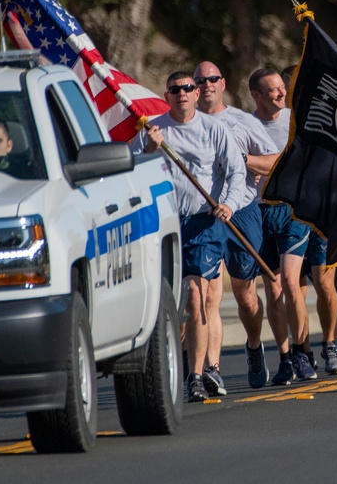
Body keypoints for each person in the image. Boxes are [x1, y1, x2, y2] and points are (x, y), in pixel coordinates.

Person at [131, 71, 248, 402]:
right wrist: (150, 151)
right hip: (165, 224)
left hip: (205, 222)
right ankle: (196, 364)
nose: (182, 93)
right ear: (166, 95)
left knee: (201, 297)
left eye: (188, 88)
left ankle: (198, 375)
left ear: (197, 93)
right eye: (175, 89)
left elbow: (236, 171)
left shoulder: (213, 129)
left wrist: (229, 203)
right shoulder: (153, 131)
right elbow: (132, 174)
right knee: (181, 301)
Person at [193, 61, 284, 389]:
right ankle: (210, 369)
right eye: (199, 81)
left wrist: (242, 160)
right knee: (207, 293)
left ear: (223, 82)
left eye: (212, 79)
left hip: (242, 210)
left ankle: (254, 345)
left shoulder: (241, 121)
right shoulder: (185, 124)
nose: (206, 85)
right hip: (203, 216)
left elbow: (274, 160)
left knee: (246, 296)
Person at [249, 67, 318, 384]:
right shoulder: (245, 125)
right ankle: (286, 356)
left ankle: (305, 352)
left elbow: (292, 162)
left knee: (292, 283)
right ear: (257, 96)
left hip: (292, 212)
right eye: (273, 90)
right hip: (260, 212)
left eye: (282, 88)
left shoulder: (296, 121)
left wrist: (249, 160)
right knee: (273, 291)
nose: (281, 93)